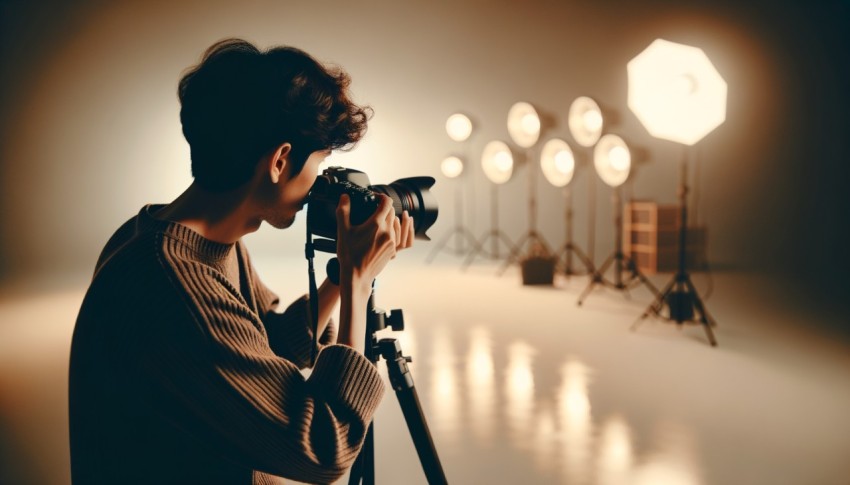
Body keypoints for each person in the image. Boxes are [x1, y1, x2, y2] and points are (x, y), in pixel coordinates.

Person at [68, 38, 414, 484]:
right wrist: (357, 280)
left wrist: (336, 278)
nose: (320, 184)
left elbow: (261, 342)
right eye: (322, 163)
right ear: (280, 161)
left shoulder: (176, 238)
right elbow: (325, 448)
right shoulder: (172, 285)